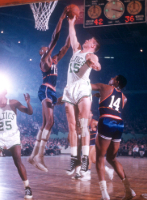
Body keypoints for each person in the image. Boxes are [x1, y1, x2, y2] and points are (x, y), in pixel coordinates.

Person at [28, 8, 71, 172]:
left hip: (52, 92)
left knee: (46, 123)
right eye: (44, 48)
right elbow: (55, 38)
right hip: (45, 90)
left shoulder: (54, 61)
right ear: (42, 52)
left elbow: (66, 46)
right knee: (50, 122)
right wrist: (61, 17)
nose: (46, 48)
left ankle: (33, 156)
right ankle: (40, 156)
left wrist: (73, 26)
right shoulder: (44, 60)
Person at [62, 15, 101, 176]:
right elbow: (73, 35)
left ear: (93, 45)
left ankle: (85, 157)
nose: (86, 40)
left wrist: (96, 65)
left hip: (83, 89)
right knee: (72, 127)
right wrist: (71, 22)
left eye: (89, 40)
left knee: (83, 124)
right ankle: (74, 158)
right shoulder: (77, 50)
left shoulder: (91, 55)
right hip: (69, 89)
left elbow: (96, 62)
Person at [0, 89, 33, 198]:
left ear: (4, 92)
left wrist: (28, 103)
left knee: (18, 162)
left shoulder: (13, 103)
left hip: (13, 136)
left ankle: (27, 188)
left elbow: (29, 112)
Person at [91, 75, 135, 200]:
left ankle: (105, 195)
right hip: (119, 124)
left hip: (106, 121)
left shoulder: (104, 87)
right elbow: (115, 105)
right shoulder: (124, 98)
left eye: (113, 77)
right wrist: (101, 95)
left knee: (100, 158)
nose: (110, 78)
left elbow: (86, 86)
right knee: (112, 158)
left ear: (116, 81)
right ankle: (129, 190)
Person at [76, 111, 114, 181]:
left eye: (89, 112)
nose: (88, 113)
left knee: (88, 158)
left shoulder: (94, 122)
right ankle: (109, 170)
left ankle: (88, 175)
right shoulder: (85, 123)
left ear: (92, 115)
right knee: (94, 160)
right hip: (89, 143)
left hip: (95, 143)